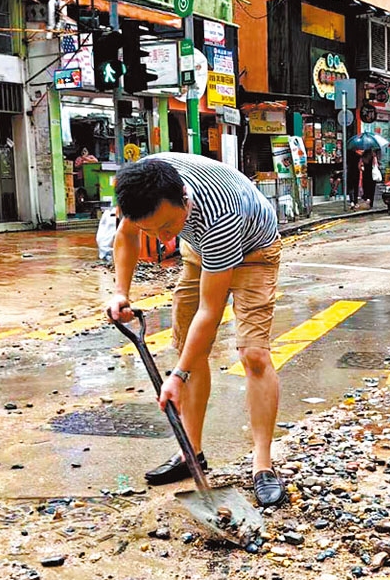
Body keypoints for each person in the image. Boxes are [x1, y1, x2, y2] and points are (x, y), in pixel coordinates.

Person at [108, 153, 284, 507]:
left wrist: (178, 376)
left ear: (185, 200)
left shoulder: (220, 214)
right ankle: (192, 452)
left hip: (255, 250)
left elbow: (211, 309)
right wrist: (120, 292)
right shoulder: (140, 186)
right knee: (187, 345)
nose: (162, 239)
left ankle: (262, 464)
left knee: (254, 354)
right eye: (152, 232)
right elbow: (125, 236)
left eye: (168, 228)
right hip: (200, 249)